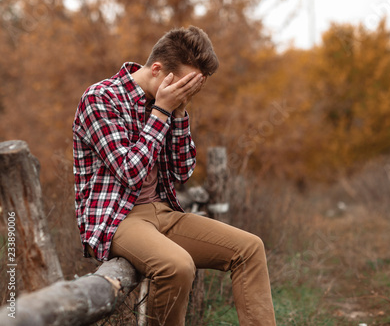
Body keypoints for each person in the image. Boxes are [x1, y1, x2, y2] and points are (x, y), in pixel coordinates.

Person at [73, 26, 276, 326]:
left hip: (163, 212)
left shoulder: (169, 105)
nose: (186, 93)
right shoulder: (100, 99)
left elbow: (183, 172)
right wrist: (161, 113)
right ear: (157, 70)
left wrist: (178, 114)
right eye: (184, 85)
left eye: (193, 88)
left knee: (249, 248)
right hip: (117, 218)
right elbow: (130, 172)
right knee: (177, 265)